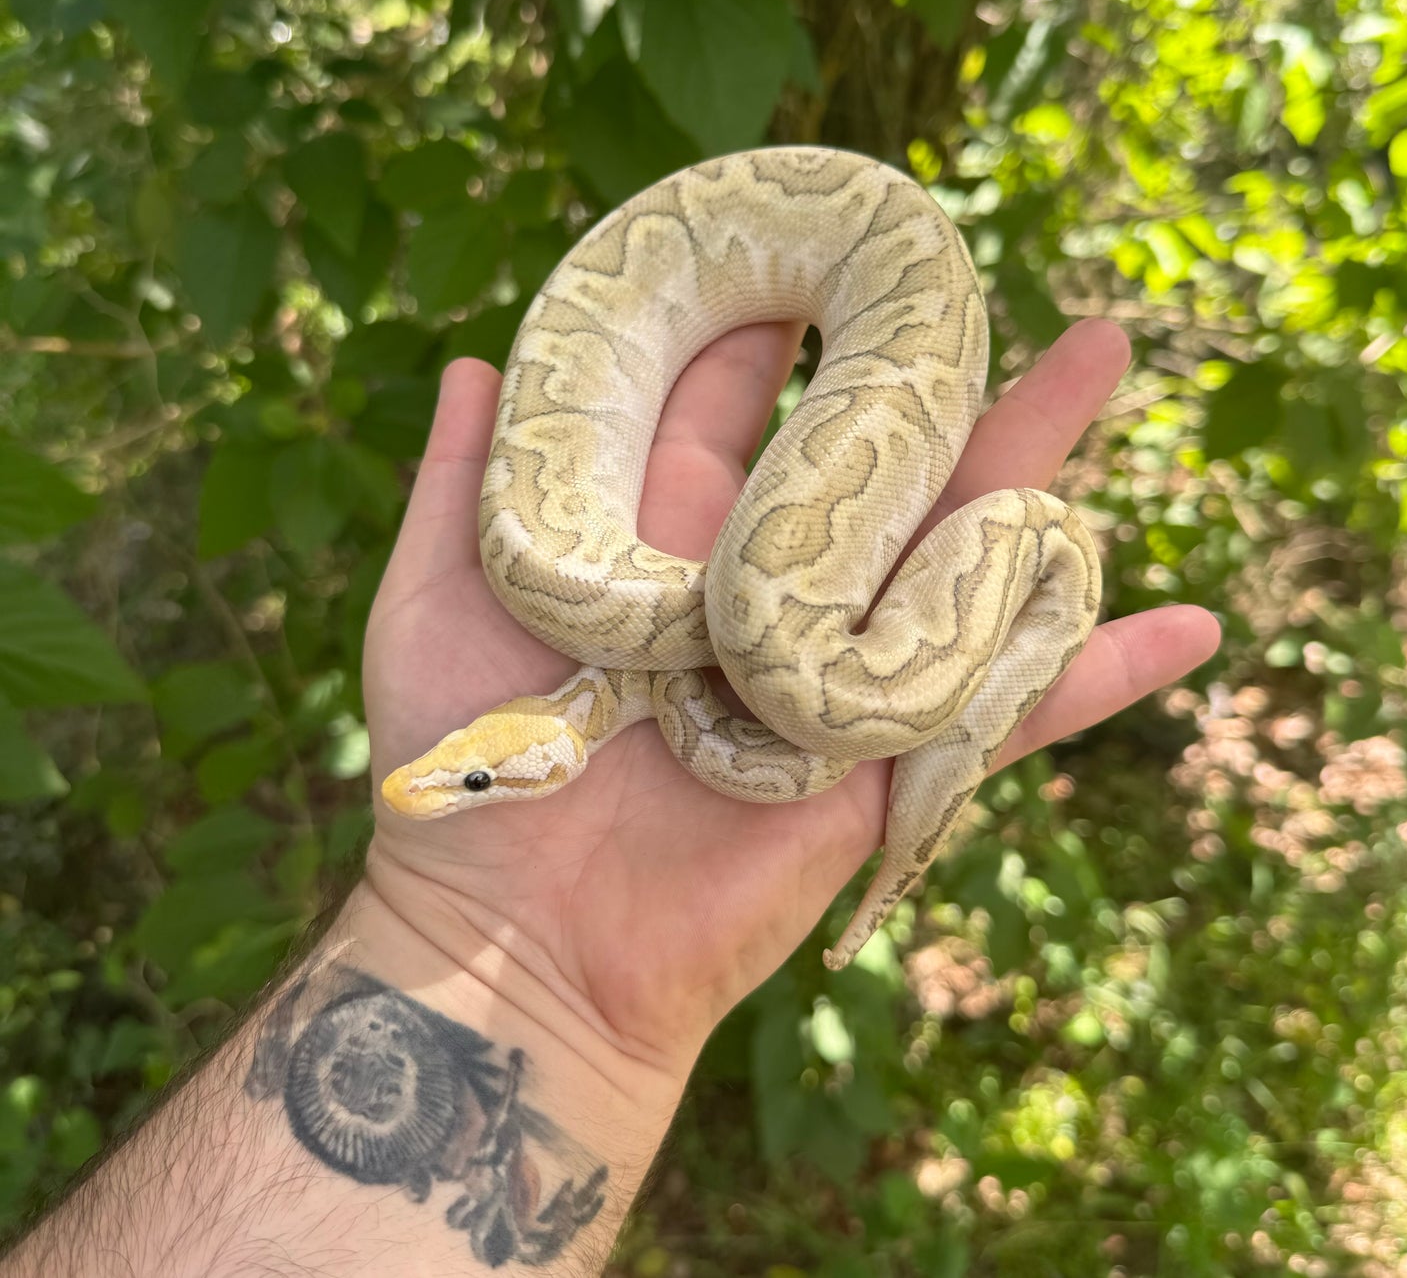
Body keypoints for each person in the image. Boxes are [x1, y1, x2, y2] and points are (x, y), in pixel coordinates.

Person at [1, 320, 1219, 1275]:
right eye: (474, 772)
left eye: (476, 775)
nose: (446, 784)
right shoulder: (646, 702)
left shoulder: (695, 703)